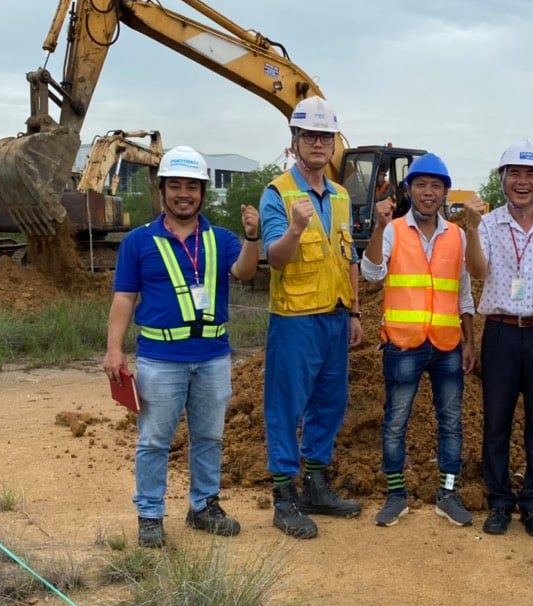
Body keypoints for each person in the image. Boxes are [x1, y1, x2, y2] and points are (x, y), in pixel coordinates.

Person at [104, 146, 261, 549]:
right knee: (154, 440)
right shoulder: (139, 242)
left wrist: (251, 237)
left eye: (192, 186)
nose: (184, 194)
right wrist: (114, 350)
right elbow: (124, 298)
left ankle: (204, 507)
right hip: (160, 360)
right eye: (176, 186)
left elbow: (244, 272)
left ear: (203, 193)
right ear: (163, 191)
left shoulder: (221, 239)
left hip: (211, 357)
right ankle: (150, 515)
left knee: (209, 438)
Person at [260, 95, 364, 539]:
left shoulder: (340, 195)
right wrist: (296, 228)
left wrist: (356, 311)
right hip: (295, 318)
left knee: (330, 402)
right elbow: (275, 258)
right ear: (295, 140)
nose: (318, 143)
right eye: (310, 135)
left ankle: (316, 484)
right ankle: (285, 496)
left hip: (336, 316)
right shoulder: (277, 193)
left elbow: (351, 258)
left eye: (325, 136)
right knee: (286, 405)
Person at [464, 138, 533, 537]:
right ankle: (498, 502)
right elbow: (477, 271)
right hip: (502, 334)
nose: (522, 182)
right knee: (496, 423)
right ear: (503, 179)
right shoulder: (489, 224)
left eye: (531, 174)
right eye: (515, 174)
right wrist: (472, 231)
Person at [360, 152, 477, 527]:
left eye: (436, 186)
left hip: (447, 344)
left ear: (445, 192)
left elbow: (464, 295)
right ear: (409, 190)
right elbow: (372, 273)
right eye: (421, 185)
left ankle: (448, 493)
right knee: (395, 422)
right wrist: (378, 228)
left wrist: (470, 342)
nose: (429, 193)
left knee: (451, 421)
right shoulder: (393, 231)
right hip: (403, 343)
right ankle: (396, 495)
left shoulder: (457, 236)